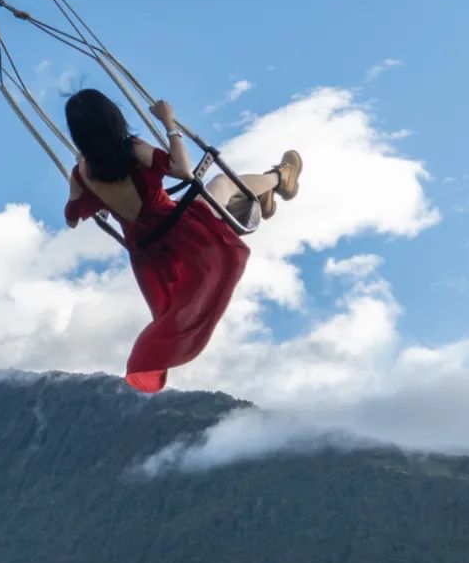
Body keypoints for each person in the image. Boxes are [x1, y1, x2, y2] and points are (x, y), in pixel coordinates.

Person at [64, 88, 302, 393]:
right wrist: (169, 122)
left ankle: (265, 194)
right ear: (113, 119)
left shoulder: (81, 176)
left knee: (176, 310)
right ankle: (281, 178)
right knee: (221, 183)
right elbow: (183, 170)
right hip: (181, 230)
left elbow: (71, 219)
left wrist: (94, 196)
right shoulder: (132, 149)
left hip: (149, 256)